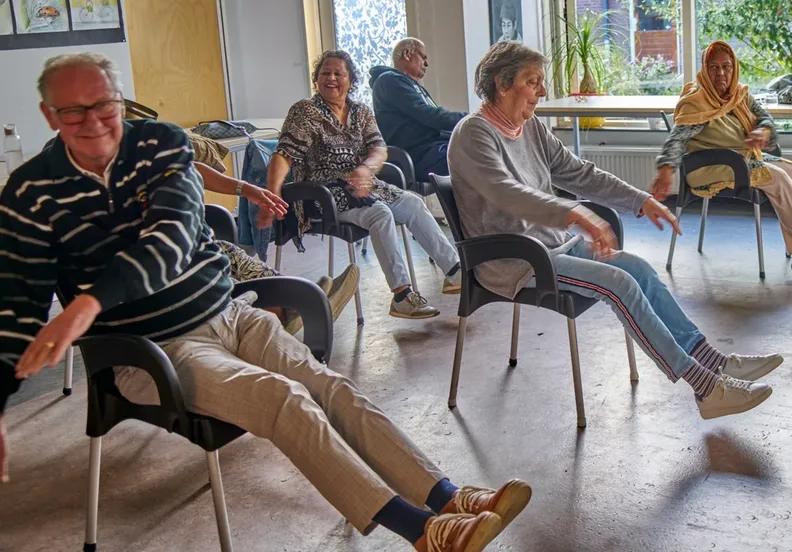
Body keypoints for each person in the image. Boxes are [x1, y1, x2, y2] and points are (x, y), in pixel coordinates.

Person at [0, 53, 532, 551]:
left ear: (121, 100)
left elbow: (173, 236)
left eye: (105, 105)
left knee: (331, 387)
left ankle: (447, 496)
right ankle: (426, 533)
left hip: (229, 313)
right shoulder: (32, 192)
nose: (94, 121)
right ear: (50, 115)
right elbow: (15, 305)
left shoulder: (159, 144)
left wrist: (90, 301)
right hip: (154, 351)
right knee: (286, 400)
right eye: (74, 111)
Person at [448, 41, 783, 421]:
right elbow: (506, 193)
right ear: (501, 84)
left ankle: (712, 360)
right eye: (533, 81)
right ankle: (705, 389)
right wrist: (575, 213)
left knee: (638, 268)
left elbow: (578, 173)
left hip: (553, 247)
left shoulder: (530, 128)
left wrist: (641, 200)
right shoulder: (473, 134)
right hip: (515, 259)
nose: (542, 91)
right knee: (618, 284)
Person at [267, 50, 462, 320]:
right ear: (317, 79)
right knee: (380, 214)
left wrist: (366, 169)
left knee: (413, 203)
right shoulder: (306, 111)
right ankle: (402, 296)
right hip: (324, 194)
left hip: (368, 186)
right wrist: (272, 195)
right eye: (325, 73)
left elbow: (379, 148)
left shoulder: (360, 112)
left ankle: (454, 272)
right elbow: (284, 155)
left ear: (351, 80)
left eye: (339, 73)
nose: (331, 78)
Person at [652, 41, 792, 261]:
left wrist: (763, 131)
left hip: (741, 159)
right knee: (780, 178)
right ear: (704, 70)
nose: (721, 74)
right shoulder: (696, 101)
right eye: (713, 67)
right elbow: (677, 138)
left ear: (734, 68)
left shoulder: (740, 94)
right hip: (711, 165)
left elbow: (764, 117)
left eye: (726, 67)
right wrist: (666, 169)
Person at [194, 161, 359, 334]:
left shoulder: (172, 154)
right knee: (215, 265)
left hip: (197, 240)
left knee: (228, 253)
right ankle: (295, 309)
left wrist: (247, 189)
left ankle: (291, 307)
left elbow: (187, 166)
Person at [369, 38, 467, 182]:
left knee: (484, 149)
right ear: (407, 54)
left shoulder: (409, 85)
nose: (426, 64)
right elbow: (430, 117)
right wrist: (471, 119)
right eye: (423, 57)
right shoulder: (390, 80)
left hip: (432, 149)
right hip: (419, 155)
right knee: (477, 157)